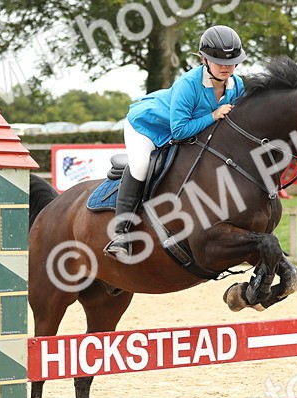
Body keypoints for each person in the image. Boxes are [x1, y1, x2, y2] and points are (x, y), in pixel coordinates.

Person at [104, 25, 247, 259]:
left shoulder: (237, 85)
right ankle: (121, 234)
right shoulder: (187, 84)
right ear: (204, 59)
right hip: (147, 126)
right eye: (218, 60)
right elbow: (179, 131)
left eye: (230, 62)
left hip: (182, 130)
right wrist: (213, 115)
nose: (225, 67)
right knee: (140, 165)